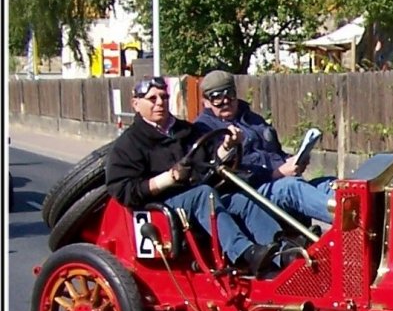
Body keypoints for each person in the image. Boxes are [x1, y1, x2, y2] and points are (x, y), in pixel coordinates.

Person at [105, 75, 282, 276]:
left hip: (198, 194)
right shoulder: (129, 144)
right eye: (152, 99)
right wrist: (169, 178)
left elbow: (208, 159)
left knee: (241, 199)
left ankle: (280, 251)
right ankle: (245, 253)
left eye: (163, 97)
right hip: (162, 204)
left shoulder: (186, 130)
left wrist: (227, 147)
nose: (160, 103)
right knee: (203, 195)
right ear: (136, 103)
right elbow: (123, 190)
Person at [194, 70, 335, 228]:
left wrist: (293, 160)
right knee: (291, 188)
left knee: (330, 184)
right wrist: (277, 173)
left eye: (230, 94)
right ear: (205, 101)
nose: (225, 101)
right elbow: (229, 174)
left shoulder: (251, 118)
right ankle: (353, 221)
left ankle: (362, 225)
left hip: (279, 182)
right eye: (217, 97)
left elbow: (274, 151)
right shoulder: (204, 129)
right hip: (250, 193)